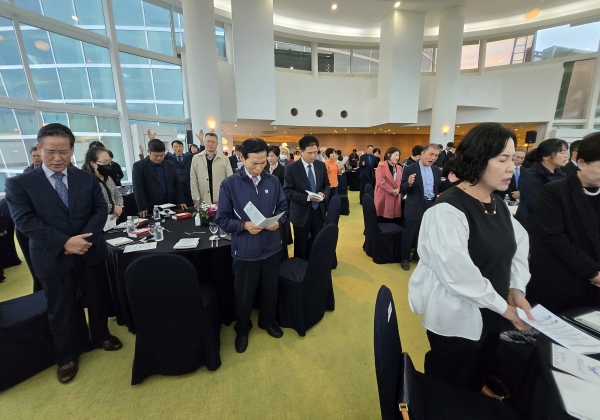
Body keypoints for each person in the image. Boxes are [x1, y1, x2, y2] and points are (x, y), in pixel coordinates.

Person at [408, 122, 532, 392]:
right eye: (503, 159)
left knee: (478, 375)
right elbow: (458, 275)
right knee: (449, 385)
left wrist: (515, 288)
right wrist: (503, 306)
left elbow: (517, 247)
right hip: (458, 318)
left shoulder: (496, 202)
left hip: (493, 312)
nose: (512, 167)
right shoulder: (447, 211)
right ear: (477, 160)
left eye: (513, 158)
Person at [5, 123, 122, 384]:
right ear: (39, 149)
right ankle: (67, 355)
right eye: (50, 151)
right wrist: (65, 243)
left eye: (64, 152)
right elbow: (25, 221)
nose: (57, 158)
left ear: (72, 151)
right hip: (52, 253)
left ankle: (101, 335)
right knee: (61, 306)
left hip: (89, 250)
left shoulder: (86, 178)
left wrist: (84, 241)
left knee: (97, 296)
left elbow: (99, 210)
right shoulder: (20, 184)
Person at [215, 138, 288, 353]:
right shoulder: (229, 184)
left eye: (263, 162)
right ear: (241, 158)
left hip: (272, 246)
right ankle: (243, 328)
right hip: (245, 250)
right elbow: (222, 219)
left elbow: (284, 207)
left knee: (270, 289)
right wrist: (244, 225)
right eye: (254, 163)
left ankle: (267, 321)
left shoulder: (273, 181)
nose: (259, 168)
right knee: (244, 294)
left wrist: (279, 221)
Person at [527, 133, 600, 313]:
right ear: (581, 163)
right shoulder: (555, 192)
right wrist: (593, 272)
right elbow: (555, 238)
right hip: (564, 280)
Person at [400, 144, 452, 271]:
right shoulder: (410, 168)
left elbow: (438, 189)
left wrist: (449, 181)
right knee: (410, 233)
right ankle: (404, 258)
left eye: (436, 155)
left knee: (426, 233)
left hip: (431, 205)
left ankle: (418, 256)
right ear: (423, 154)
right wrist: (409, 183)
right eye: (431, 154)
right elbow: (402, 188)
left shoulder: (436, 170)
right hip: (415, 205)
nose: (433, 158)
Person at [284, 135, 329, 260]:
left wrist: (323, 194)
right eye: (309, 153)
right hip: (301, 211)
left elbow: (326, 184)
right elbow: (287, 191)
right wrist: (308, 198)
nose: (313, 156)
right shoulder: (291, 168)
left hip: (318, 210)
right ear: (301, 152)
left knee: (318, 241)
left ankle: (316, 265)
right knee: (301, 244)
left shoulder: (320, 166)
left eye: (315, 152)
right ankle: (299, 268)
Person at [515, 138, 568, 236]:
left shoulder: (561, 175)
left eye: (566, 152)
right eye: (561, 152)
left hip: (553, 227)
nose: (566, 156)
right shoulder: (531, 176)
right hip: (532, 228)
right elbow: (539, 205)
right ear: (546, 156)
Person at [132, 139, 187, 217]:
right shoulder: (139, 166)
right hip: (151, 207)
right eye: (156, 155)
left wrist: (181, 200)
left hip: (170, 205)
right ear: (148, 151)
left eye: (162, 155)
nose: (159, 158)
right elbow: (138, 188)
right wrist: (142, 206)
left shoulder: (170, 164)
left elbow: (177, 183)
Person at [82, 147, 124, 223]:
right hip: (99, 222)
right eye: (104, 162)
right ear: (93, 164)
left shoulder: (108, 179)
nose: (108, 165)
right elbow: (92, 202)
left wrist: (118, 208)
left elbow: (117, 195)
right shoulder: (87, 181)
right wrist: (112, 208)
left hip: (115, 220)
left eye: (109, 162)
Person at [190, 132, 233, 205]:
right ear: (204, 142)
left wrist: (228, 196)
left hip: (220, 197)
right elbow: (193, 178)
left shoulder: (224, 159)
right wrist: (196, 197)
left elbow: (230, 179)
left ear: (217, 144)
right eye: (208, 141)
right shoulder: (196, 158)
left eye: (213, 142)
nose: (210, 144)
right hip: (203, 197)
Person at [374, 147, 402, 224]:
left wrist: (398, 190)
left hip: (396, 196)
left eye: (398, 155)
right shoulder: (381, 167)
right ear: (389, 154)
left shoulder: (399, 168)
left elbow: (401, 181)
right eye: (395, 155)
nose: (397, 157)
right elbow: (381, 182)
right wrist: (392, 191)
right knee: (383, 216)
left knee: (395, 217)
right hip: (384, 195)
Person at [165, 139, 193, 207]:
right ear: (172, 148)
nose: (178, 148)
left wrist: (201, 142)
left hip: (188, 186)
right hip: (175, 187)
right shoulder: (169, 157)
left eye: (180, 146)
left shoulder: (188, 156)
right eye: (176, 146)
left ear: (183, 147)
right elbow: (157, 156)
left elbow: (198, 153)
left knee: (189, 208)